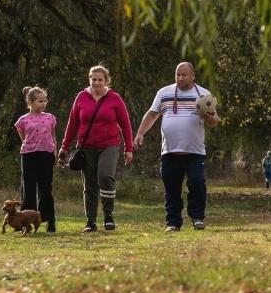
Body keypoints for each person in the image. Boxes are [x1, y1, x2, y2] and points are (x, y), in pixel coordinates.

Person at [133, 62, 220, 232]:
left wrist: (208, 116)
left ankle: (197, 218)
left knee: (197, 183)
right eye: (178, 74)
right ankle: (173, 222)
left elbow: (214, 121)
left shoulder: (203, 94)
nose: (180, 78)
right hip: (170, 151)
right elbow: (152, 115)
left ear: (193, 76)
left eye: (184, 75)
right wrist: (140, 133)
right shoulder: (164, 93)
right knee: (171, 188)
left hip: (195, 152)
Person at [58, 65, 133, 233]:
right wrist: (64, 146)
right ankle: (90, 221)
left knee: (105, 176)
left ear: (106, 81)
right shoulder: (81, 97)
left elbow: (125, 125)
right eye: (94, 79)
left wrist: (129, 148)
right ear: (89, 80)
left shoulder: (114, 98)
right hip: (86, 147)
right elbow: (72, 124)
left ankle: (108, 215)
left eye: (100, 79)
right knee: (89, 184)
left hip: (109, 145)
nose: (97, 83)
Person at [14, 86, 57, 233]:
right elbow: (23, 137)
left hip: (46, 154)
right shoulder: (23, 120)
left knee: (46, 188)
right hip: (29, 155)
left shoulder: (50, 118)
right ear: (31, 102)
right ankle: (26, 222)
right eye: (40, 101)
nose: (43, 103)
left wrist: (54, 151)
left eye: (45, 101)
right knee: (29, 189)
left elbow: (53, 136)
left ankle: (49, 220)